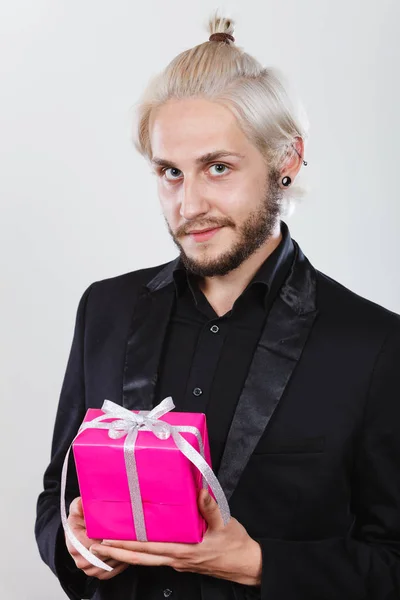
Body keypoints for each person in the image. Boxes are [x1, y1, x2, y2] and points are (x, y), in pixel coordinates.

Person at [35, 10, 400, 600]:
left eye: (219, 168)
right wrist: (74, 542)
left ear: (287, 159)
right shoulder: (104, 308)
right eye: (170, 173)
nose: (190, 204)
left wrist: (257, 563)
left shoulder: (375, 345)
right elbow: (57, 493)